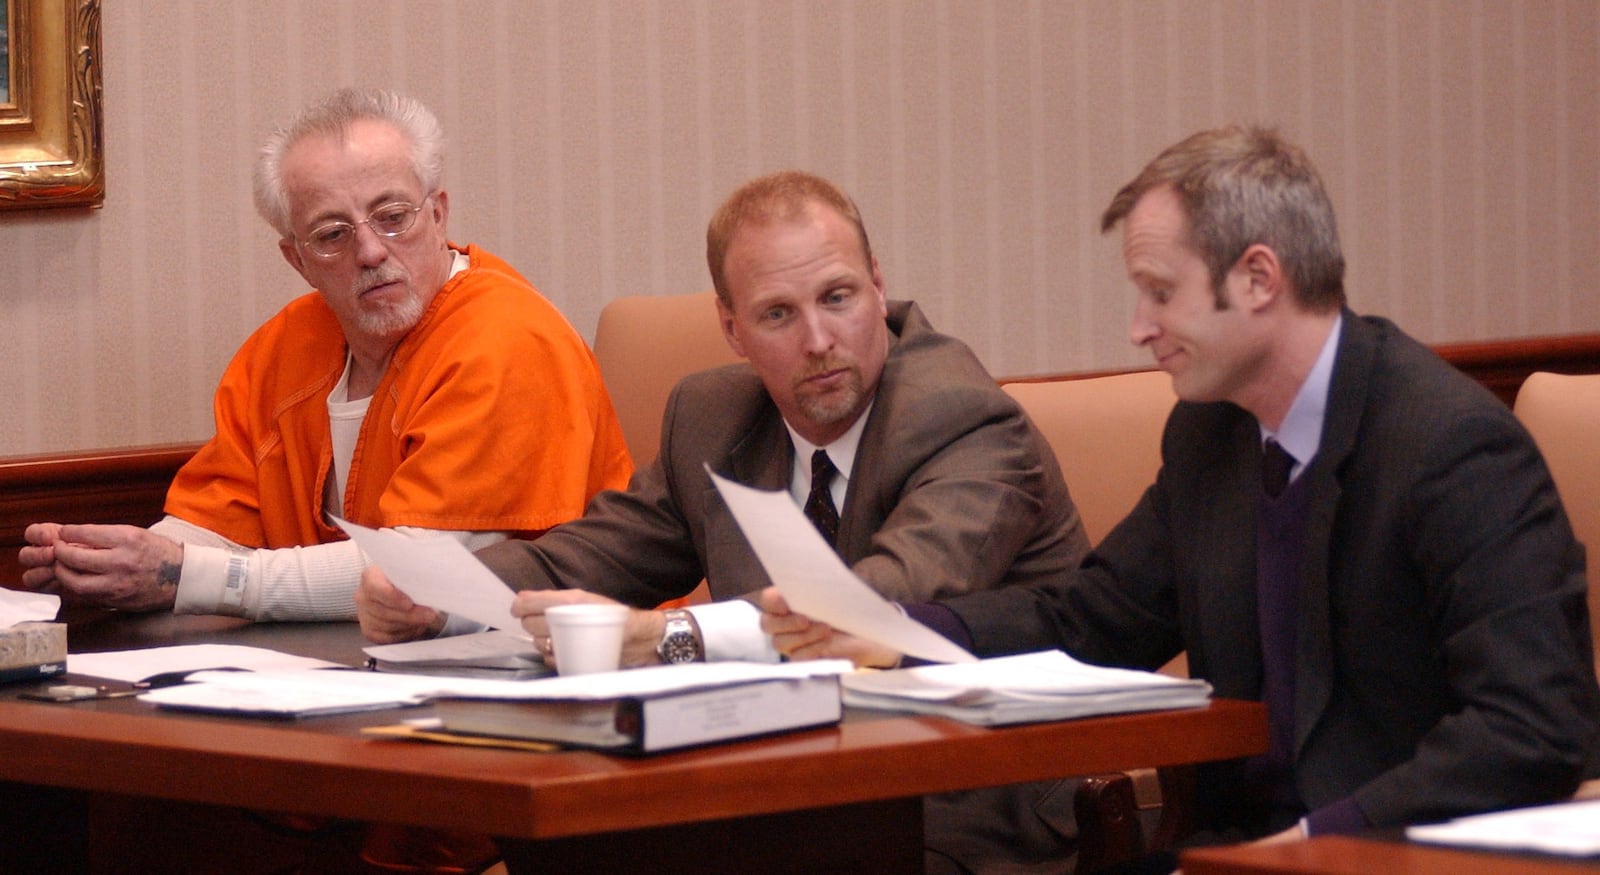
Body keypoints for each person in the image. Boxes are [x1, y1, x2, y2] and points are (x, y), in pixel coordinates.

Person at [762, 126, 1600, 868]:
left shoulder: (1449, 445)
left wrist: (1317, 841)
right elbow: (1092, 619)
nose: (1138, 326)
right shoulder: (1212, 436)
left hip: (1390, 851)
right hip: (1235, 846)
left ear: (1259, 279)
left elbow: (1532, 725)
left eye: (1161, 291)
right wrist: (881, 627)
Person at [358, 169, 1093, 873]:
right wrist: (440, 597)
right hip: (779, 787)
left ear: (877, 284)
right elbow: (586, 557)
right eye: (779, 313)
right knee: (574, 837)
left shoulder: (961, 417)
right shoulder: (712, 419)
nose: (817, 339)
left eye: (838, 297)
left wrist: (672, 635)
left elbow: (872, 609)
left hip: (964, 800)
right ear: (733, 329)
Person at [19, 88, 633, 622]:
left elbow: (418, 572)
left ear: (439, 213)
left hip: (558, 663)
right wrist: (108, 557)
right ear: (297, 259)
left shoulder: (507, 337)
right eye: (332, 234)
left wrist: (184, 576)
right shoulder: (283, 348)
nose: (370, 250)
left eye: (393, 217)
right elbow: (216, 528)